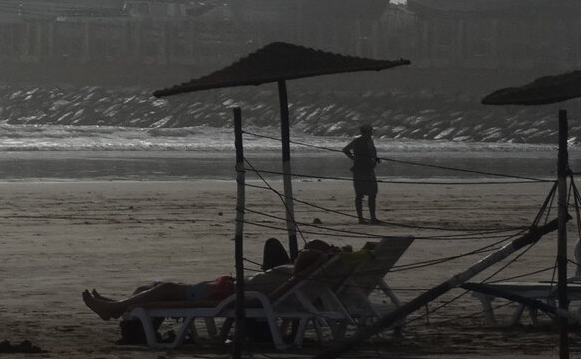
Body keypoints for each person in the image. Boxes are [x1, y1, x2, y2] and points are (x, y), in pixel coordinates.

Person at [81, 240, 341, 320]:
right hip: (229, 288)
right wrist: (328, 253)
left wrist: (321, 252)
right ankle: (120, 304)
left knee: (168, 288)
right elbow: (309, 253)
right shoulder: (297, 274)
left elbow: (307, 253)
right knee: (157, 288)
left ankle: (114, 309)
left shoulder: (296, 272)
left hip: (228, 294)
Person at [342, 124, 380, 223]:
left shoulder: (368, 140)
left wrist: (375, 159)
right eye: (371, 131)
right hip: (361, 170)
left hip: (368, 169)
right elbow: (345, 150)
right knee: (360, 194)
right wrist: (355, 159)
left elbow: (372, 153)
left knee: (372, 194)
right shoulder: (358, 141)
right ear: (366, 132)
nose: (372, 133)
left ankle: (372, 218)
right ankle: (362, 218)